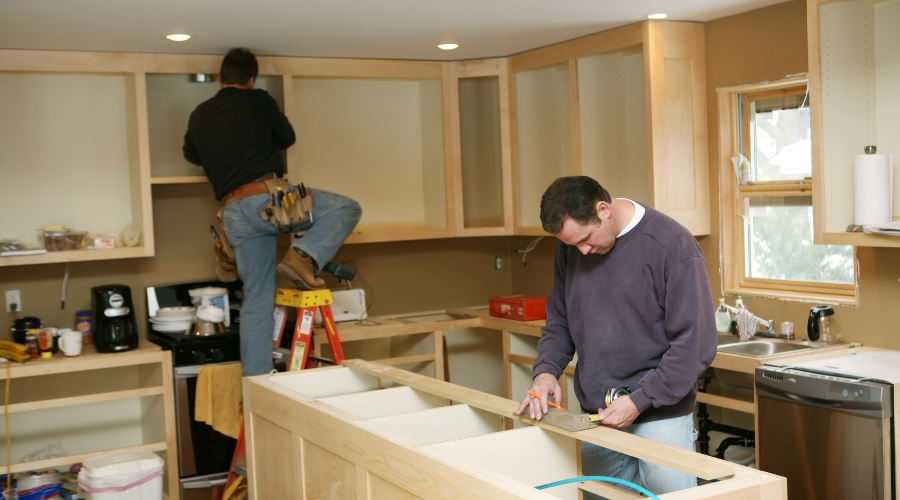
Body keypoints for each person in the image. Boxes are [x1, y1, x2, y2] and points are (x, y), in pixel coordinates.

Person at [515, 176, 716, 498]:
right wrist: (545, 372)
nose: (582, 250)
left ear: (603, 209)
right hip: (597, 414)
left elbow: (695, 344)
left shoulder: (670, 245)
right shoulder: (572, 250)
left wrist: (639, 401)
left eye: (585, 238)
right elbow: (560, 321)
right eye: (571, 245)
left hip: (661, 416)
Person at [183, 48, 361, 377]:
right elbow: (287, 137)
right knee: (347, 208)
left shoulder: (200, 113)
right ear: (250, 79)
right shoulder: (260, 100)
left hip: (233, 212)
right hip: (269, 201)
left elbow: (191, 153)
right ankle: (303, 256)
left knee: (257, 300)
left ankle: (257, 384)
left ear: (222, 78)